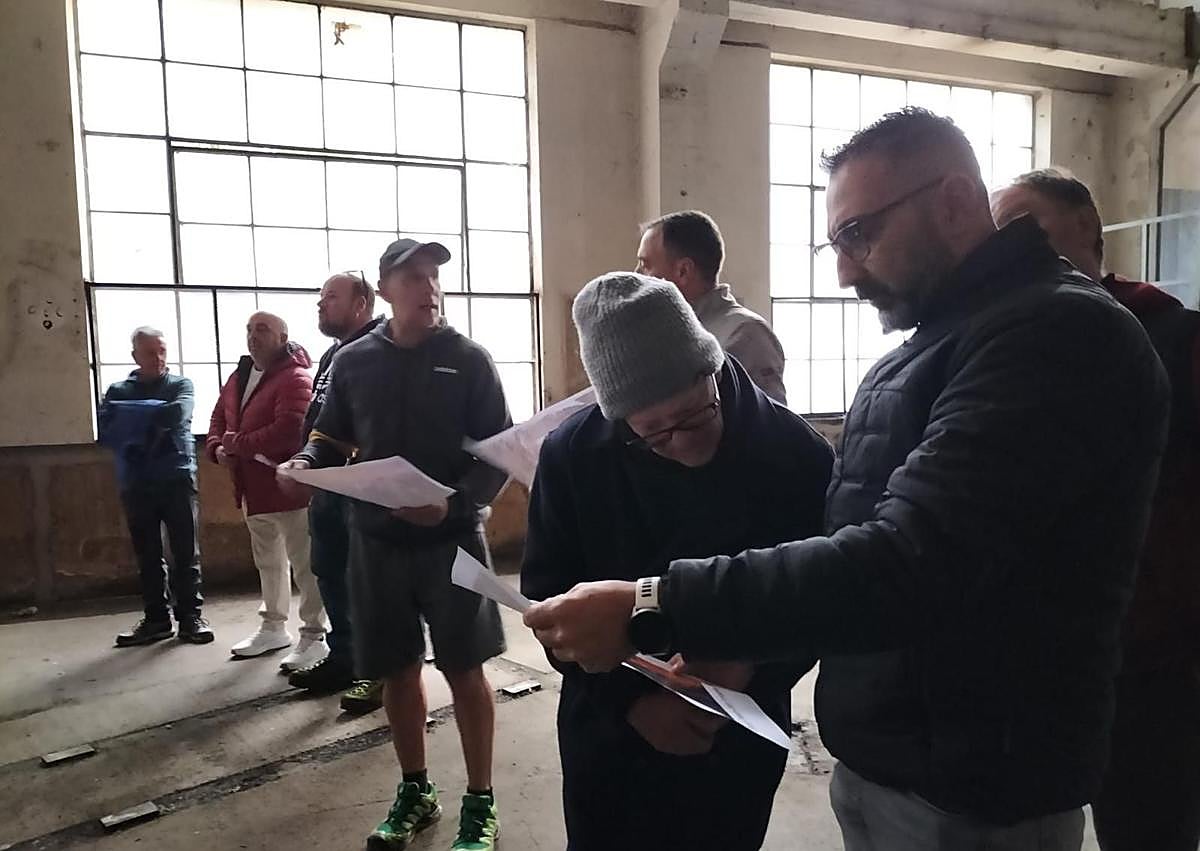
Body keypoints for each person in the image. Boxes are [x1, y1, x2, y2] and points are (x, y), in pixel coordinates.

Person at [524, 109, 1170, 851]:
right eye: (836, 243)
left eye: (859, 234)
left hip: (973, 782)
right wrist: (632, 693)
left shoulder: (1054, 336)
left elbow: (907, 558)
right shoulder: (943, 343)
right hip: (899, 762)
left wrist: (657, 603)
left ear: (956, 201)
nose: (844, 269)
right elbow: (846, 555)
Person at [522, 272, 833, 850]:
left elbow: (823, 592)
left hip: (735, 730)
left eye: (694, 416)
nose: (683, 442)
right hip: (611, 732)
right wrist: (631, 703)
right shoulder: (574, 456)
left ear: (710, 369)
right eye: (654, 435)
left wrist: (751, 664)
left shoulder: (794, 454)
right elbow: (546, 598)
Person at [992, 169, 1200, 851]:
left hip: (1154, 644)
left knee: (1147, 817)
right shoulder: (998, 352)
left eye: (1027, 223)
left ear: (1088, 225)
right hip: (1046, 651)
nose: (1009, 246)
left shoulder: (1172, 335)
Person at [280, 238, 511, 851]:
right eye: (413, 276)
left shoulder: (470, 360)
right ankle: (416, 790)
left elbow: (498, 455)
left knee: (465, 668)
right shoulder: (354, 362)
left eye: (434, 275)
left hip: (452, 541)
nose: (429, 286)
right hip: (375, 540)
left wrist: (455, 505)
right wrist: (303, 462)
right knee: (397, 669)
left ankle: (480, 802)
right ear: (384, 290)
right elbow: (326, 437)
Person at [286, 273, 387, 715]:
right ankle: (345, 657)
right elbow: (325, 422)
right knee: (328, 571)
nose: (321, 305)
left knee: (366, 581)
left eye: (332, 297)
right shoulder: (332, 355)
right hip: (325, 484)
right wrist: (306, 461)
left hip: (361, 489)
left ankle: (377, 668)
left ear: (362, 303)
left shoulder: (381, 352)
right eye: (320, 297)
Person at [206, 312, 327, 671]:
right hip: (251, 490)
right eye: (249, 329)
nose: (253, 336)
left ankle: (314, 636)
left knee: (306, 566)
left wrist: (237, 444)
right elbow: (217, 420)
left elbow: (292, 429)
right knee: (268, 563)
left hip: (289, 487)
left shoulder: (296, 378)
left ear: (283, 336)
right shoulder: (238, 378)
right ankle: (274, 627)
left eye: (263, 329)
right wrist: (217, 448)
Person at [99, 327, 211, 646]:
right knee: (147, 555)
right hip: (136, 482)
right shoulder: (118, 389)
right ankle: (156, 619)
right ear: (135, 355)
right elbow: (107, 431)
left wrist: (131, 418)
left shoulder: (181, 385)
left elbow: (177, 414)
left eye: (162, 350)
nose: (158, 358)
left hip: (177, 478)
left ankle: (191, 618)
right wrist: (153, 413)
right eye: (150, 352)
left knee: (185, 551)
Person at [636, 210, 788, 404]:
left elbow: (769, 425)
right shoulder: (668, 331)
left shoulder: (747, 334)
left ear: (683, 271)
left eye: (645, 264)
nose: (637, 274)